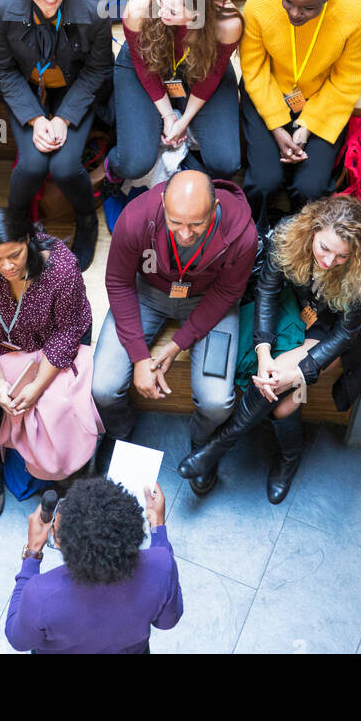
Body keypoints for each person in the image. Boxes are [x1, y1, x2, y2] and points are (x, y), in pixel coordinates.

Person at [177, 195, 361, 503]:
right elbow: (267, 289)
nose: (329, 261)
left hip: (329, 327)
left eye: (341, 256)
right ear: (313, 230)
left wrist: (297, 375)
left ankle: (220, 444)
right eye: (324, 248)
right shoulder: (290, 234)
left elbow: (342, 336)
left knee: (282, 389)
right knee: (284, 402)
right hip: (295, 305)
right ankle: (289, 454)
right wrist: (263, 352)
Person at [91, 170, 257, 496]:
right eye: (175, 221)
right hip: (147, 293)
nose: (184, 233)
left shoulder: (242, 234)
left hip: (211, 301)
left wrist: (179, 343)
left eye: (196, 224)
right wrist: (140, 356)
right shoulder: (137, 216)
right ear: (164, 203)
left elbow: (227, 294)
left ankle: (201, 441)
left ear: (215, 208)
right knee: (103, 387)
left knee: (217, 402)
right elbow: (119, 283)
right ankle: (119, 431)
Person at [0, 208, 100, 516]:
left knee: (56, 403)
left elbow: (68, 330)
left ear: (29, 240)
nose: (7, 266)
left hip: (50, 342)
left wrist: (36, 387)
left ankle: (65, 466)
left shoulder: (61, 268)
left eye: (15, 255)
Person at [0, 0, 113, 269]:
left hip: (74, 90)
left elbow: (99, 69)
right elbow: (2, 69)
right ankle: (16, 224)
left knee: (68, 166)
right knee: (32, 166)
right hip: (29, 92)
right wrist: (36, 118)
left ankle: (87, 219)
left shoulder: (95, 10)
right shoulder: (4, 8)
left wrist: (66, 118)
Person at [240, 0, 361, 224]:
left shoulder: (353, 13)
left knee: (311, 187)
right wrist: (277, 127)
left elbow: (347, 79)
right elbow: (254, 69)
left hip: (322, 101)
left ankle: (298, 240)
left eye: (308, 8)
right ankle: (255, 236)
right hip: (267, 91)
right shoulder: (260, 2)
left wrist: (307, 127)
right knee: (264, 181)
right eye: (289, 1)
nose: (295, 13)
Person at [5, 478, 182, 653]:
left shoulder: (40, 593)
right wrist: (158, 528)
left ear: (61, 544)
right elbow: (167, 622)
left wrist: (32, 554)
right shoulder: (162, 565)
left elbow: (18, 640)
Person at [106, 0, 243, 183]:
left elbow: (211, 76)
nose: (161, 14)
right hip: (148, 63)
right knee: (134, 164)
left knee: (225, 163)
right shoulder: (139, 7)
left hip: (200, 69)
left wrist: (183, 121)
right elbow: (144, 67)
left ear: (198, 13)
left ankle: (184, 165)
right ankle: (111, 168)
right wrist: (168, 117)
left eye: (172, 12)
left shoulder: (227, 23)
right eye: (160, 2)